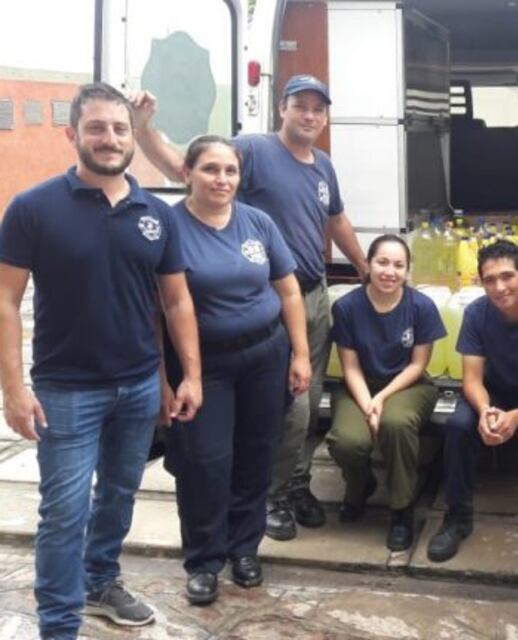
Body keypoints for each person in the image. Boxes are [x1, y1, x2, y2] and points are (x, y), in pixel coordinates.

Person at [0, 83, 202, 640]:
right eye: (96, 128)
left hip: (139, 386)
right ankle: (59, 624)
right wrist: (13, 389)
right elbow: (5, 301)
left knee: (117, 494)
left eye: (119, 128)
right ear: (72, 135)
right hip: (66, 390)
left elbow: (175, 301)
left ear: (131, 135)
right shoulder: (33, 209)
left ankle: (100, 580)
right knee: (63, 511)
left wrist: (185, 378)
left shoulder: (155, 214)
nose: (109, 139)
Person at [132, 74, 369, 542]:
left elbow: (335, 218)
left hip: (313, 296)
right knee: (288, 410)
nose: (309, 115)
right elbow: (188, 163)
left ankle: (294, 483)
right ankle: (271, 495)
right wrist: (143, 132)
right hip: (268, 298)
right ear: (282, 108)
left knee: (305, 394)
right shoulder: (255, 151)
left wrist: (362, 265)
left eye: (318, 109)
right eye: (300, 106)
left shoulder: (322, 164)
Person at [161, 135, 312, 605]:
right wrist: (179, 376)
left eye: (229, 171)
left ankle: (244, 548)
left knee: (255, 455)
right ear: (187, 173)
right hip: (204, 363)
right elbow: (166, 304)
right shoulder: (170, 227)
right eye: (210, 169)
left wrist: (301, 355)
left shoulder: (257, 221)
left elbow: (288, 291)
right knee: (205, 462)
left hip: (266, 355)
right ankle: (204, 560)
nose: (221, 179)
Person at [426, 240, 518, 577]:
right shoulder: (477, 313)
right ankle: (458, 516)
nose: (500, 287)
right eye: (490, 280)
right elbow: (472, 379)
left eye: (507, 276)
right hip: (494, 397)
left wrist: (516, 417)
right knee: (459, 423)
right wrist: (485, 411)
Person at [327, 234, 446, 551]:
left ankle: (401, 509)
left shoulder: (421, 307)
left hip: (408, 385)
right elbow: (349, 367)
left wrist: (381, 400)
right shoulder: (347, 307)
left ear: (407, 271)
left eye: (398, 265)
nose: (389, 271)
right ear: (368, 263)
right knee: (347, 441)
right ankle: (360, 485)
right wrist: (368, 403)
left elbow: (418, 365)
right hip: (359, 385)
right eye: (382, 262)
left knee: (395, 424)